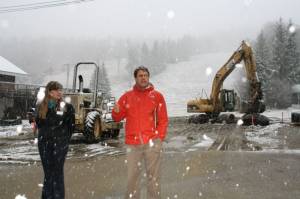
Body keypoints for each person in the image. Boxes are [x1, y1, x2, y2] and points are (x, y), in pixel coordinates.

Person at [112, 66, 168, 199]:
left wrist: (159, 139)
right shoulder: (127, 96)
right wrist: (116, 111)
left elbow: (163, 120)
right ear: (135, 78)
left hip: (152, 143)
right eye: (140, 76)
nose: (143, 78)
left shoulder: (157, 96)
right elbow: (117, 118)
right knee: (132, 180)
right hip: (133, 144)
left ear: (148, 77)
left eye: (145, 75)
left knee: (153, 179)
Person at [34, 81, 75, 199]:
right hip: (44, 143)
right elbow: (39, 123)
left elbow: (71, 126)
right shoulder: (41, 106)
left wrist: (64, 139)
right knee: (48, 172)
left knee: (57, 172)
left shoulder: (67, 107)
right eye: (56, 90)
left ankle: (57, 196)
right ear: (50, 92)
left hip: (60, 144)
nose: (59, 92)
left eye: (60, 90)